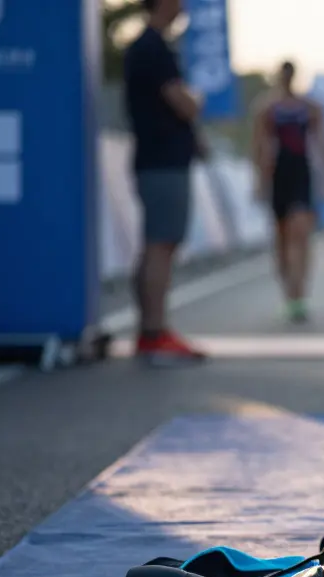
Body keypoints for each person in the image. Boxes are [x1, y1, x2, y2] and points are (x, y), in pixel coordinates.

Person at [122, 0, 207, 367]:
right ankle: (155, 332)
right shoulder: (152, 47)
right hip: (162, 161)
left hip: (157, 158)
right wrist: (195, 100)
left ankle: (150, 330)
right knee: (161, 244)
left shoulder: (149, 46)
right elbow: (183, 103)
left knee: (156, 243)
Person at [252, 60, 324, 324]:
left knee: (301, 234)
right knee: (282, 237)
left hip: (301, 173)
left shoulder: (309, 108)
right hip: (279, 174)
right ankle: (288, 292)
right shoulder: (267, 108)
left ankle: (299, 294)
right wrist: (261, 180)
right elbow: (260, 144)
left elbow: (321, 142)